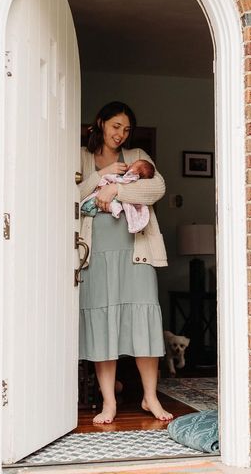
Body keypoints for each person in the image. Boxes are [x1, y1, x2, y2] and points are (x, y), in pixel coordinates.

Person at [77, 101, 173, 424]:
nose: (121, 134)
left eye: (126, 130)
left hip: (136, 251)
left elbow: (156, 187)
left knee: (143, 318)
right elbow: (71, 194)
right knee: (102, 323)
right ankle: (109, 402)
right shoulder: (80, 156)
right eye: (116, 126)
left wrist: (117, 190)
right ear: (101, 122)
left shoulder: (136, 157)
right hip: (96, 253)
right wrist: (102, 176)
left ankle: (150, 397)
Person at [80, 159, 155, 234]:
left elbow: (158, 188)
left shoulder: (136, 158)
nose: (130, 164)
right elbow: (74, 195)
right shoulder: (82, 155)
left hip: (129, 239)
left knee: (115, 204)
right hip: (96, 236)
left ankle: (113, 208)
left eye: (132, 164)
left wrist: (115, 188)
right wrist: (103, 173)